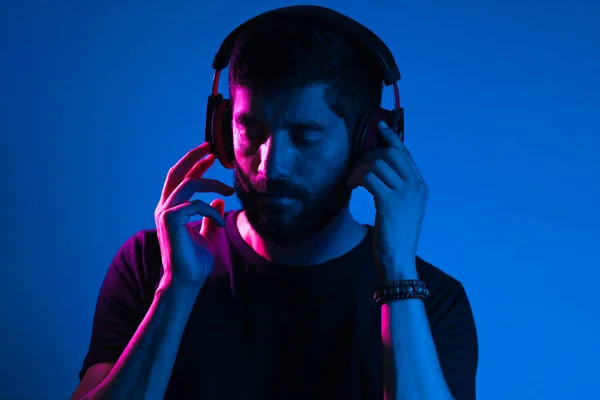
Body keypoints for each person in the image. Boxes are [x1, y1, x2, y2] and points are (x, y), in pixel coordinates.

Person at [70, 7, 478, 400]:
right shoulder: (150, 265)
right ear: (222, 128)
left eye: (304, 136)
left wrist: (397, 275)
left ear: (367, 143)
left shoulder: (432, 301)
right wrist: (176, 291)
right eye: (250, 129)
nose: (270, 165)